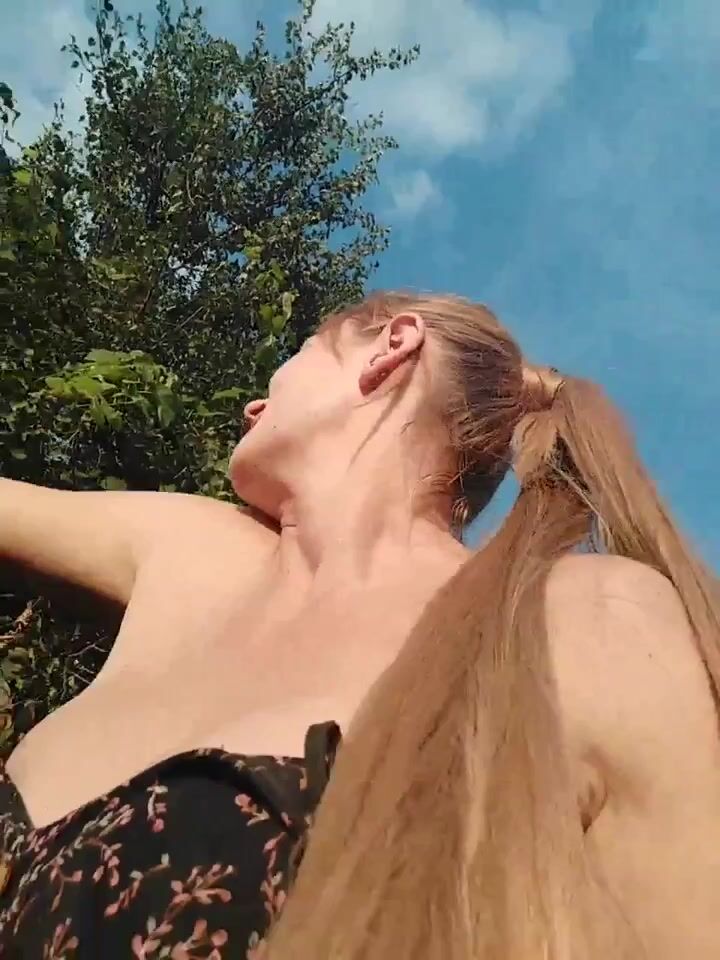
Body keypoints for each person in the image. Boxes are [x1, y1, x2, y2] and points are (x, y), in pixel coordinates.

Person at [0, 292, 718, 960]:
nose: (253, 404)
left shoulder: (564, 622)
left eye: (297, 358)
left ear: (391, 347)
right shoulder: (185, 546)